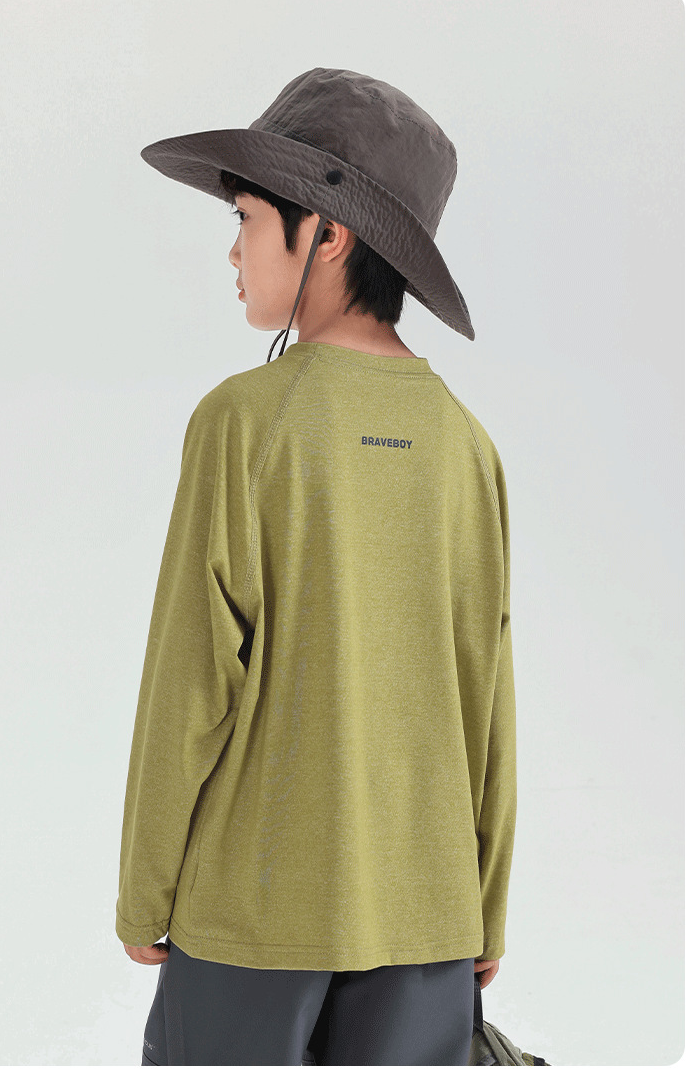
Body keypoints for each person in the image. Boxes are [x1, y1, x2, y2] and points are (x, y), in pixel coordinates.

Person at [116, 68, 516, 1065]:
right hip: (428, 919)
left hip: (252, 918)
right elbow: (488, 695)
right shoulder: (467, 444)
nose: (233, 249)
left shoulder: (244, 421)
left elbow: (190, 680)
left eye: (247, 218)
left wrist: (144, 890)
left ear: (328, 235)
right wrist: (484, 906)